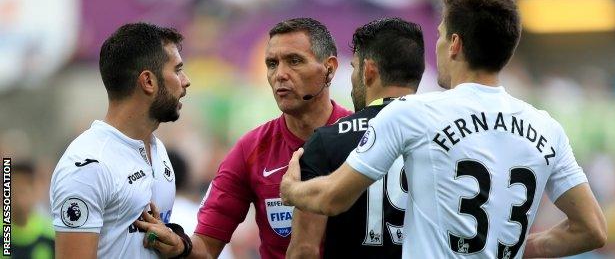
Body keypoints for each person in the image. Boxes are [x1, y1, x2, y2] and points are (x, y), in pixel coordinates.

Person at [280, 0, 607, 258]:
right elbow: (591, 229)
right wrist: (517, 249)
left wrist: (292, 190)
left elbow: (333, 198)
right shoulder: (547, 128)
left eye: (438, 35)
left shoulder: (415, 112)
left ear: (454, 44)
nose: (435, 45)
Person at [134, 18, 352, 258]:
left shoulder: (366, 137)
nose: (280, 74)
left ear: (330, 67)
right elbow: (206, 246)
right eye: (272, 64)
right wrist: (179, 245)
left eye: (294, 61)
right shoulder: (250, 150)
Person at [49, 22, 191, 258]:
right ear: (148, 81)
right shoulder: (88, 166)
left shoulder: (159, 150)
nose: (185, 81)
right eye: (177, 70)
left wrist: (178, 244)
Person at [286, 17, 424, 259]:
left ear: (368, 71)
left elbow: (304, 250)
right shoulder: (445, 135)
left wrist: (291, 190)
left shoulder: (327, 141)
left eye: (354, 67)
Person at [11, 161, 55, 259]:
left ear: (36, 191)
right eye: (14, 190)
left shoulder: (51, 235)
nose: (19, 198)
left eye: (24, 190)